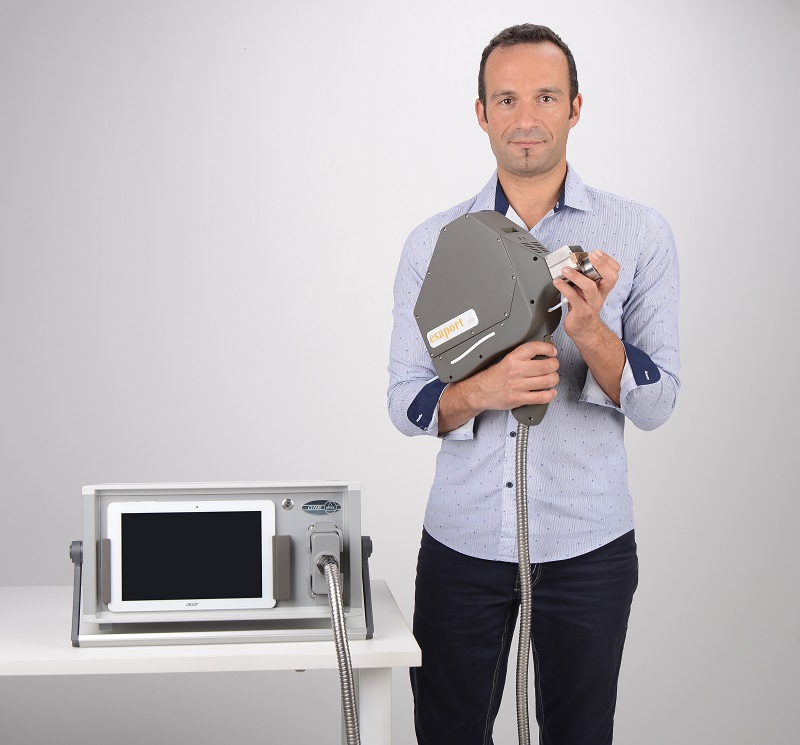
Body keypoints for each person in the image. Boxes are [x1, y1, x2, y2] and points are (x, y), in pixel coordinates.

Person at [387, 23, 681, 745]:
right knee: (447, 732)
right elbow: (404, 401)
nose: (526, 118)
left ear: (575, 107)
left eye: (546, 97)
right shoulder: (434, 243)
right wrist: (485, 390)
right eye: (506, 99)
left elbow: (658, 403)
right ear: (481, 112)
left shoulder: (639, 233)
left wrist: (591, 330)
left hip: (588, 543)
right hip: (463, 542)